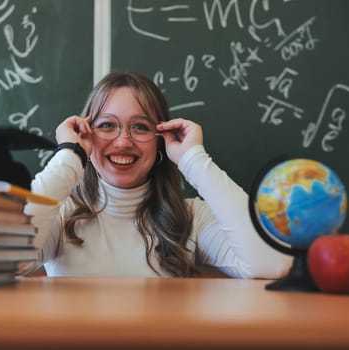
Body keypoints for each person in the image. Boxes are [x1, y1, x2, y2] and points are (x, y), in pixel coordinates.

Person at [22, 71, 291, 278]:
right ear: (86, 136)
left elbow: (271, 263)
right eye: (107, 126)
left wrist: (193, 159)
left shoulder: (190, 217)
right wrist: (70, 154)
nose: (123, 141)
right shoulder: (59, 214)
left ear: (159, 139)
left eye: (140, 127)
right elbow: (7, 260)